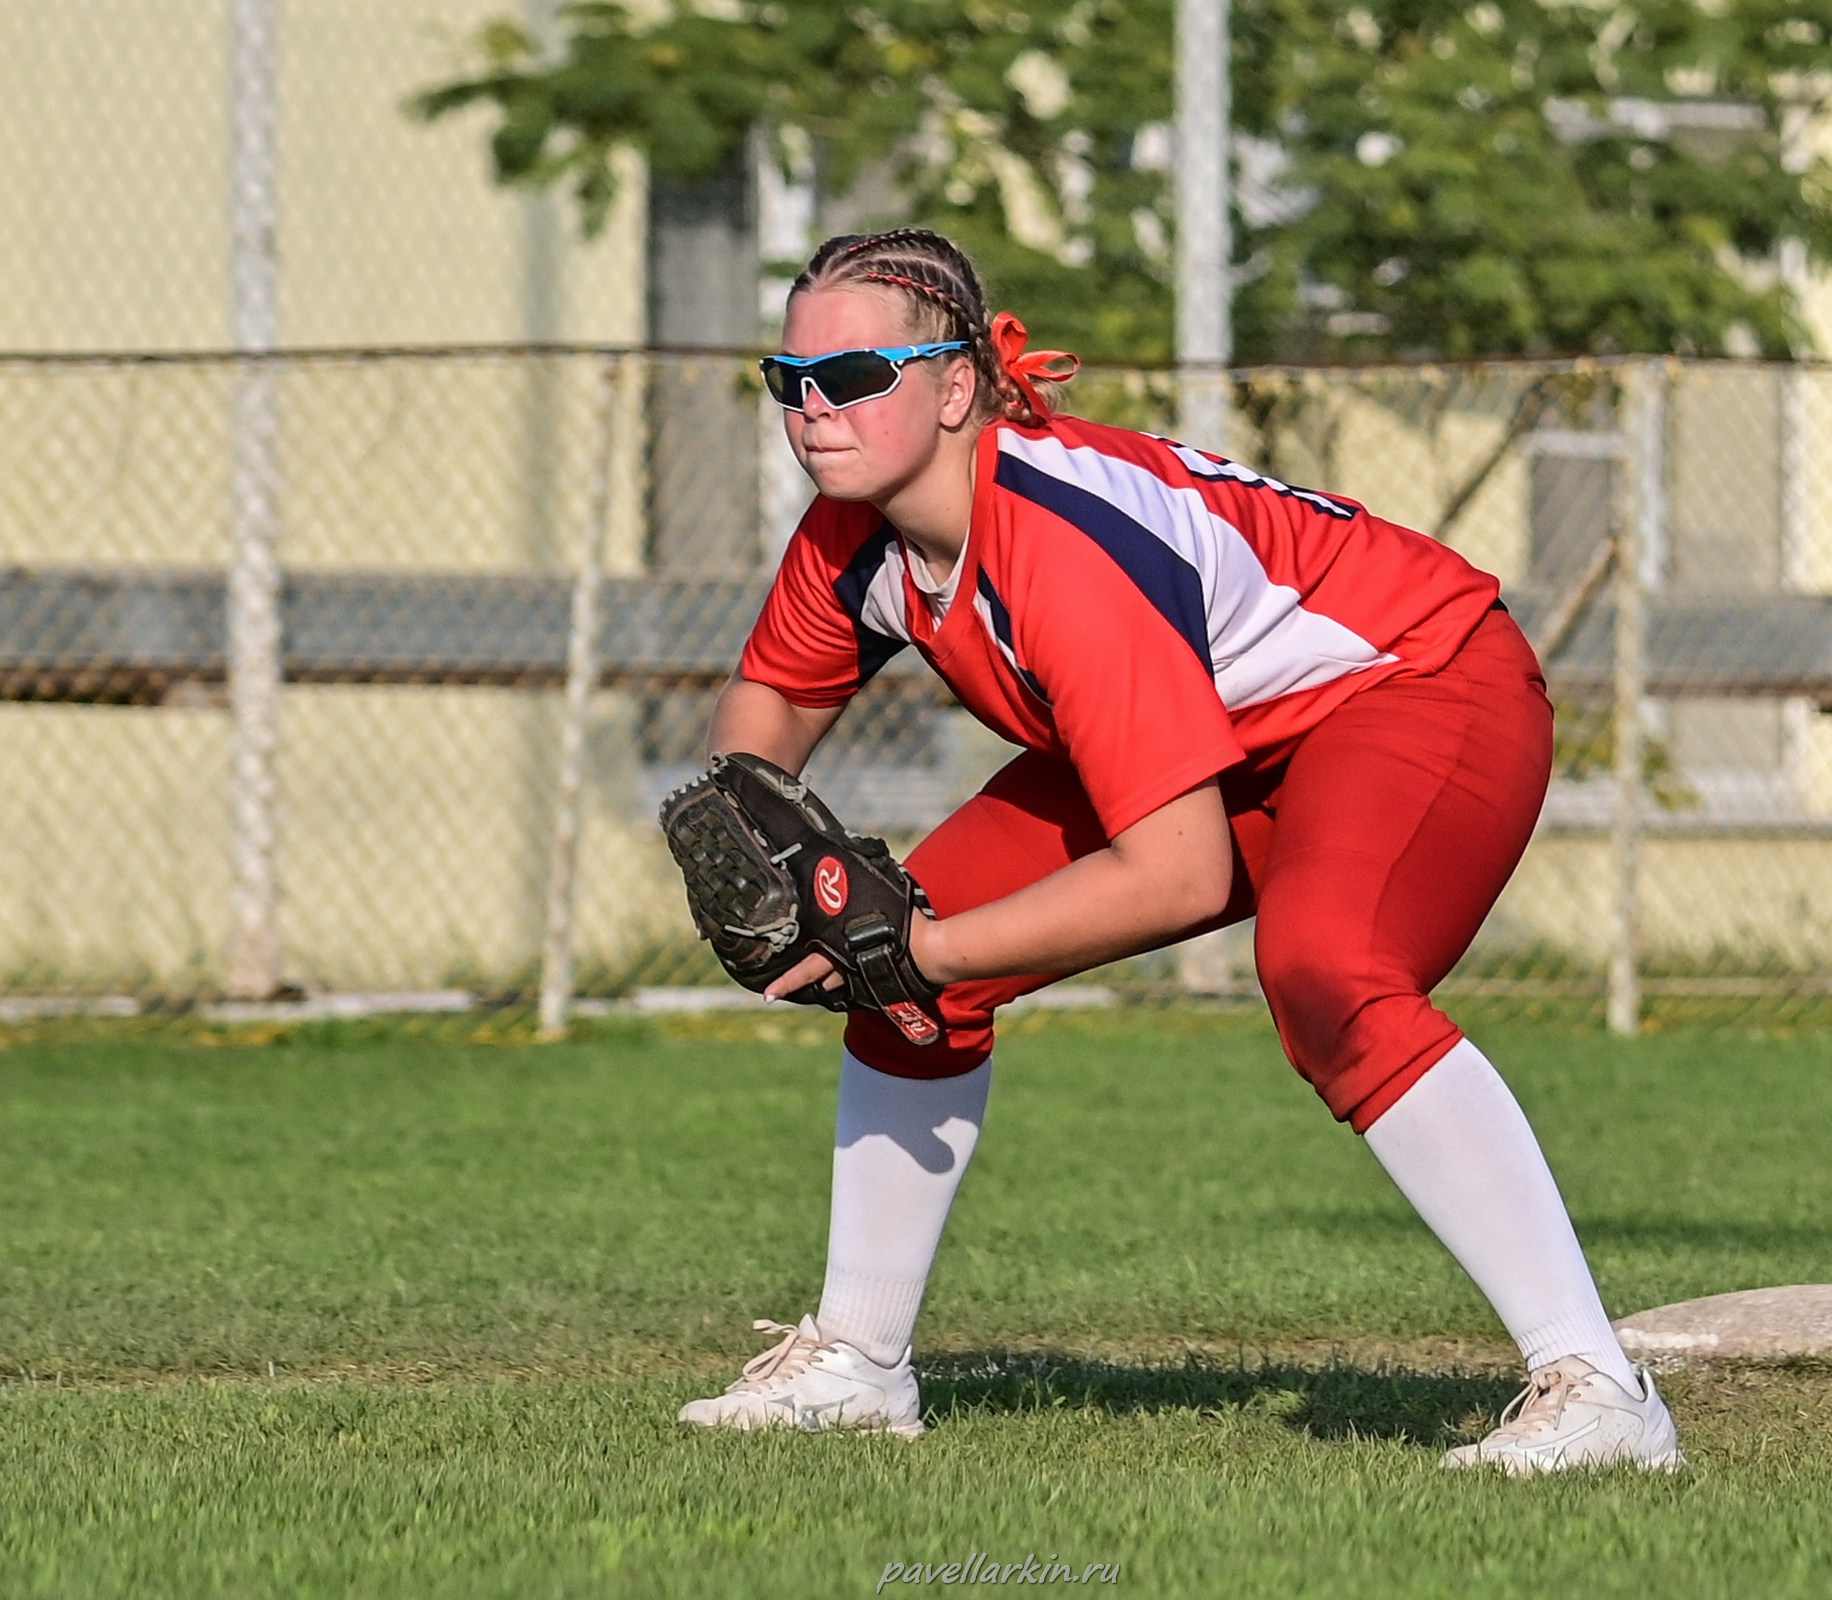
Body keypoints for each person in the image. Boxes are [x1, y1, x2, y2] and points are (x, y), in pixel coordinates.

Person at [674, 226, 1680, 1473]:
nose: (815, 408)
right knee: (898, 959)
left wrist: (924, 946)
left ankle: (1602, 1391)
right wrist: (756, 840)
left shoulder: (1057, 545)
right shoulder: (851, 529)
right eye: (791, 379)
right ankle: (857, 1365)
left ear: (955, 387)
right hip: (1238, 726)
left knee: (1326, 970)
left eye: (855, 375)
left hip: (1416, 682)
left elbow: (1178, 873)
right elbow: (773, 696)